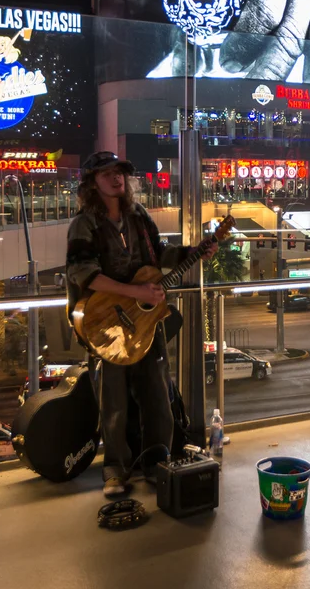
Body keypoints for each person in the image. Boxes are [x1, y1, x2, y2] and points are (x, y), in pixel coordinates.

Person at [66, 151, 217, 496]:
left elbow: (159, 255)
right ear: (92, 183)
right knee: (114, 399)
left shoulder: (139, 216)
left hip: (145, 322)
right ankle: (114, 469)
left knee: (157, 393)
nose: (115, 178)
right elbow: (83, 274)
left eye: (119, 171)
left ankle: (157, 460)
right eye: (106, 173)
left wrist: (194, 251)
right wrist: (132, 290)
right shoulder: (85, 223)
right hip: (104, 322)